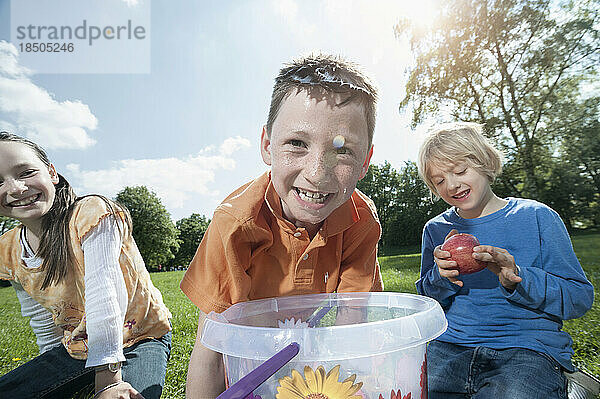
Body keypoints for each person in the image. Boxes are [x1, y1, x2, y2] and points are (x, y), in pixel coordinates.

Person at [180, 53, 383, 398]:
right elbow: (211, 351)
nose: (317, 173)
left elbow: (352, 323)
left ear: (365, 161)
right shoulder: (234, 225)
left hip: (309, 360)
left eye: (343, 150)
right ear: (267, 146)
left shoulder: (360, 220)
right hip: (249, 358)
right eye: (297, 143)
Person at [416, 122, 594, 398]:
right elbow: (428, 302)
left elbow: (578, 297)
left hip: (526, 349)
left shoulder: (537, 217)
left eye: (460, 170)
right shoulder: (436, 230)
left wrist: (518, 278)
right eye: (439, 180)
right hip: (450, 346)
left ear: (486, 162)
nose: (451, 184)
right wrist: (442, 277)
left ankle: (565, 383)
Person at [0, 132, 172, 399]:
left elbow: (106, 295)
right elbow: (40, 316)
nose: (15, 188)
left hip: (142, 337)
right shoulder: (7, 249)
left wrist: (109, 381)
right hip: (78, 346)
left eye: (26, 172)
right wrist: (54, 370)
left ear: (52, 173)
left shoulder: (92, 213)